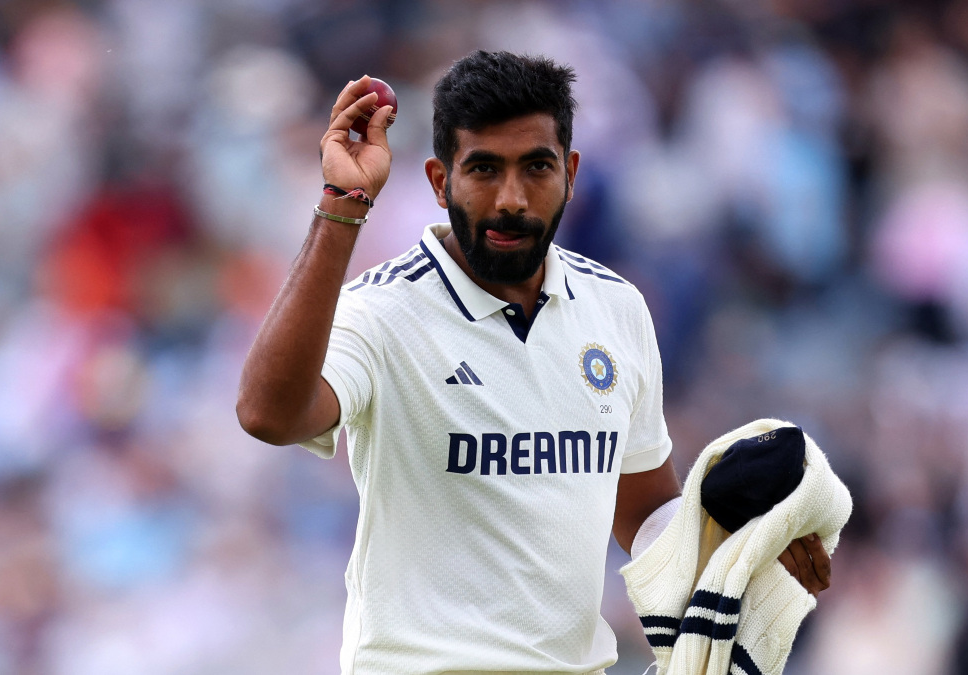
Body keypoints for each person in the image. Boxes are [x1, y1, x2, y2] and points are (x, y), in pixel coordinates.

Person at [236, 50, 831, 675]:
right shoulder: (382, 310)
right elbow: (267, 415)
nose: (512, 199)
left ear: (570, 173)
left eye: (536, 168)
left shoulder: (617, 307)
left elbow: (643, 513)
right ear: (441, 181)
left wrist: (744, 552)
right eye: (484, 170)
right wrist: (343, 204)